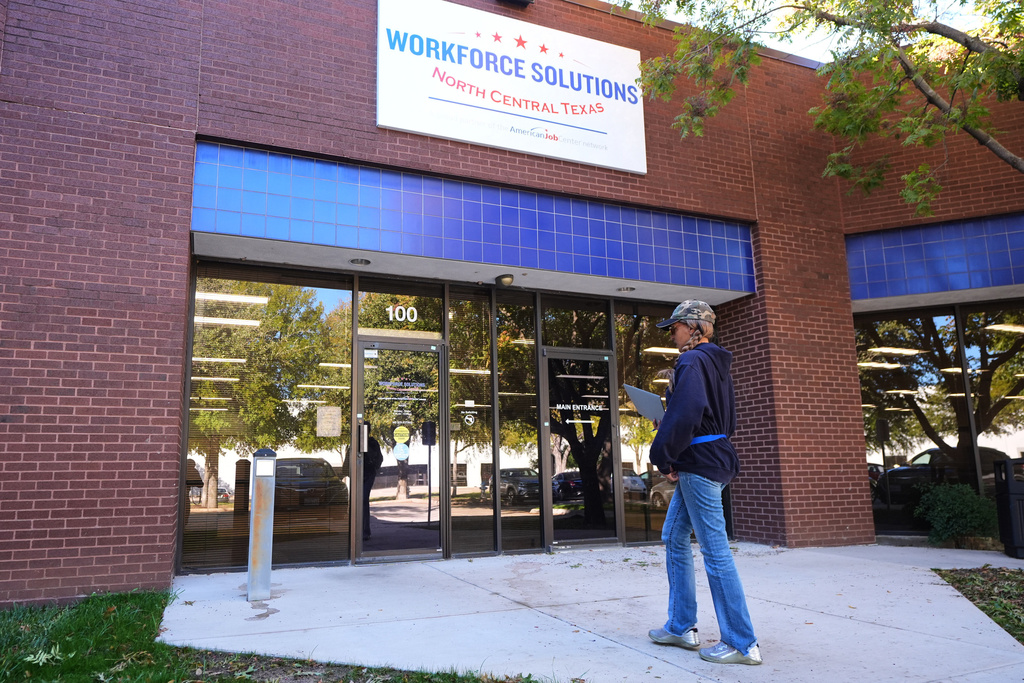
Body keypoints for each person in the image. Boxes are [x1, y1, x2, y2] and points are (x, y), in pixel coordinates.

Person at [646, 300, 762, 666]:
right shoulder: (716, 363)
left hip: (700, 464)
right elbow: (721, 421)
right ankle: (681, 626)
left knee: (715, 551)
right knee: (674, 535)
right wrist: (674, 438)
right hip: (712, 458)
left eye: (675, 327)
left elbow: (687, 414)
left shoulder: (692, 361)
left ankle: (742, 643)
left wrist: (663, 453)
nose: (672, 333)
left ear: (694, 327)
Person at [363, 424, 384, 541]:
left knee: (363, 500)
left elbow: (379, 458)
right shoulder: (355, 441)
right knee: (359, 502)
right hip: (359, 475)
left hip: (369, 474)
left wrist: (374, 468)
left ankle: (365, 531)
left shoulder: (372, 443)